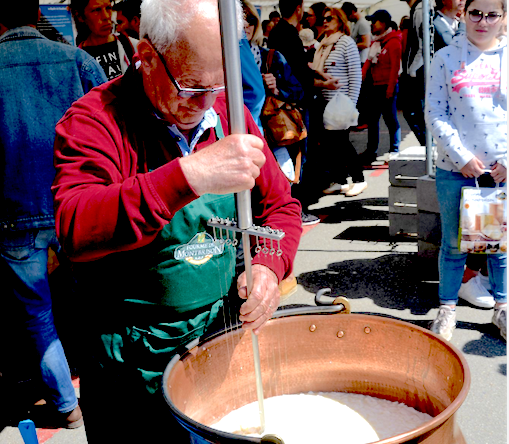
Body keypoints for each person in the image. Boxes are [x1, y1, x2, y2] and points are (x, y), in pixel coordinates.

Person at [51, 0, 302, 441]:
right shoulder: (95, 120)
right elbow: (75, 225)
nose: (206, 103)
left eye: (219, 85)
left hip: (217, 343)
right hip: (130, 364)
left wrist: (268, 264)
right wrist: (188, 176)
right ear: (146, 56)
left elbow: (281, 208)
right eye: (190, 86)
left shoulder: (229, 115)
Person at [0, 0, 106, 429]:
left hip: (14, 216)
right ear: (35, 14)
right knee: (99, 297)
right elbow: (113, 125)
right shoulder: (76, 60)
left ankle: (67, 406)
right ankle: (107, 386)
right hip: (76, 204)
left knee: (38, 314)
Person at [425, 0, 507, 341]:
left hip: (500, 173)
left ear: (503, 17)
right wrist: (462, 159)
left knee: (499, 244)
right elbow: (435, 113)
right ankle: (447, 310)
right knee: (454, 244)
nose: (483, 21)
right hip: (455, 171)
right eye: (475, 12)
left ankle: (502, 308)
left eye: (492, 14)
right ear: (463, 14)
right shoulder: (444, 58)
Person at [268, 0, 324, 226]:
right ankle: (296, 208)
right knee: (299, 157)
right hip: (293, 103)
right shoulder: (290, 34)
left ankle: (288, 206)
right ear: (299, 8)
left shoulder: (275, 32)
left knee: (287, 158)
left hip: (280, 103)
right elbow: (299, 71)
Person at [311, 7, 365, 197]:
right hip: (324, 102)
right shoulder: (323, 44)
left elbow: (355, 76)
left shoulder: (346, 43)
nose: (325, 21)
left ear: (340, 21)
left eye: (329, 18)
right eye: (323, 18)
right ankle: (340, 180)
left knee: (342, 143)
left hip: (340, 102)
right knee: (330, 144)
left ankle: (359, 179)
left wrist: (351, 104)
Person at [360, 10, 402, 166]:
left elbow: (395, 69)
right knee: (373, 120)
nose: (372, 25)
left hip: (387, 87)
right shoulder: (376, 42)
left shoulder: (393, 42)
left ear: (383, 23)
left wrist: (390, 90)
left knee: (391, 121)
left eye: (375, 21)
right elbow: (368, 64)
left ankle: (394, 150)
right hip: (375, 87)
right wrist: (360, 78)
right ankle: (371, 151)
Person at [71, 0, 139, 80]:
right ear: (80, 16)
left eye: (108, 8)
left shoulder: (132, 45)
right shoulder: (78, 58)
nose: (106, 16)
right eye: (96, 10)